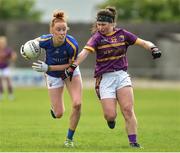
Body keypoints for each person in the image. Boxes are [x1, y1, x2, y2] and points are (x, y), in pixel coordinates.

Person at [61, 6, 161, 148]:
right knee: (110, 115)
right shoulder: (97, 38)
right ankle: (110, 119)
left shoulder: (123, 34)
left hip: (121, 76)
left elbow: (143, 42)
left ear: (112, 23)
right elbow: (84, 53)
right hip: (104, 79)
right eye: (99, 24)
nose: (100, 27)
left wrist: (153, 48)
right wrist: (72, 66)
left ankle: (133, 143)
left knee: (127, 109)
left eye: (103, 24)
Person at [24, 10, 82, 147]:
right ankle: (54, 108)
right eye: (58, 29)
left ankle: (69, 139)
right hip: (52, 76)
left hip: (69, 72)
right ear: (52, 30)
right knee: (58, 114)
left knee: (77, 104)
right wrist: (25, 51)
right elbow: (32, 44)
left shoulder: (72, 44)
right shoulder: (45, 40)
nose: (62, 32)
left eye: (64, 29)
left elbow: (71, 64)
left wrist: (48, 67)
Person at [0, 36, 17, 101]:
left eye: (3, 42)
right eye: (1, 42)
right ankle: (1, 94)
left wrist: (13, 56)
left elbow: (13, 56)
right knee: (0, 82)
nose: (2, 43)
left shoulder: (8, 50)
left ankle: (10, 95)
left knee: (8, 81)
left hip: (5, 67)